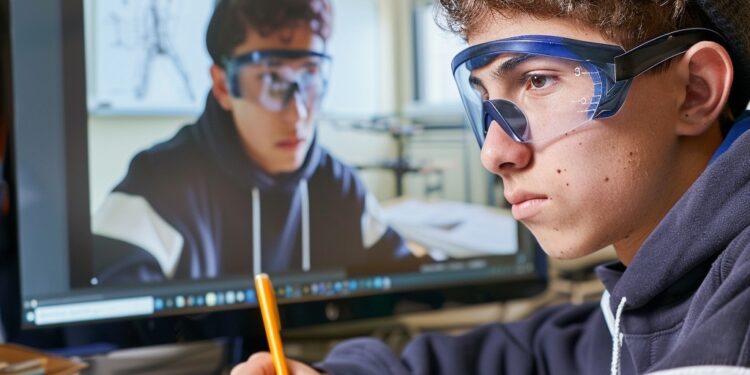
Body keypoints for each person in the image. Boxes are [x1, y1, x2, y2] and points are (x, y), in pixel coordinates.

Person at [231, 0, 750, 374]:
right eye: (484, 96)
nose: (496, 152)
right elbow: (552, 353)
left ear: (695, 91)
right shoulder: (660, 297)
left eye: (538, 80)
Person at [92, 0, 415, 285]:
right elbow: (96, 334)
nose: (297, 112)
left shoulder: (341, 188)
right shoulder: (155, 185)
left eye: (310, 75)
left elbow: (415, 295)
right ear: (222, 86)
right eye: (271, 79)